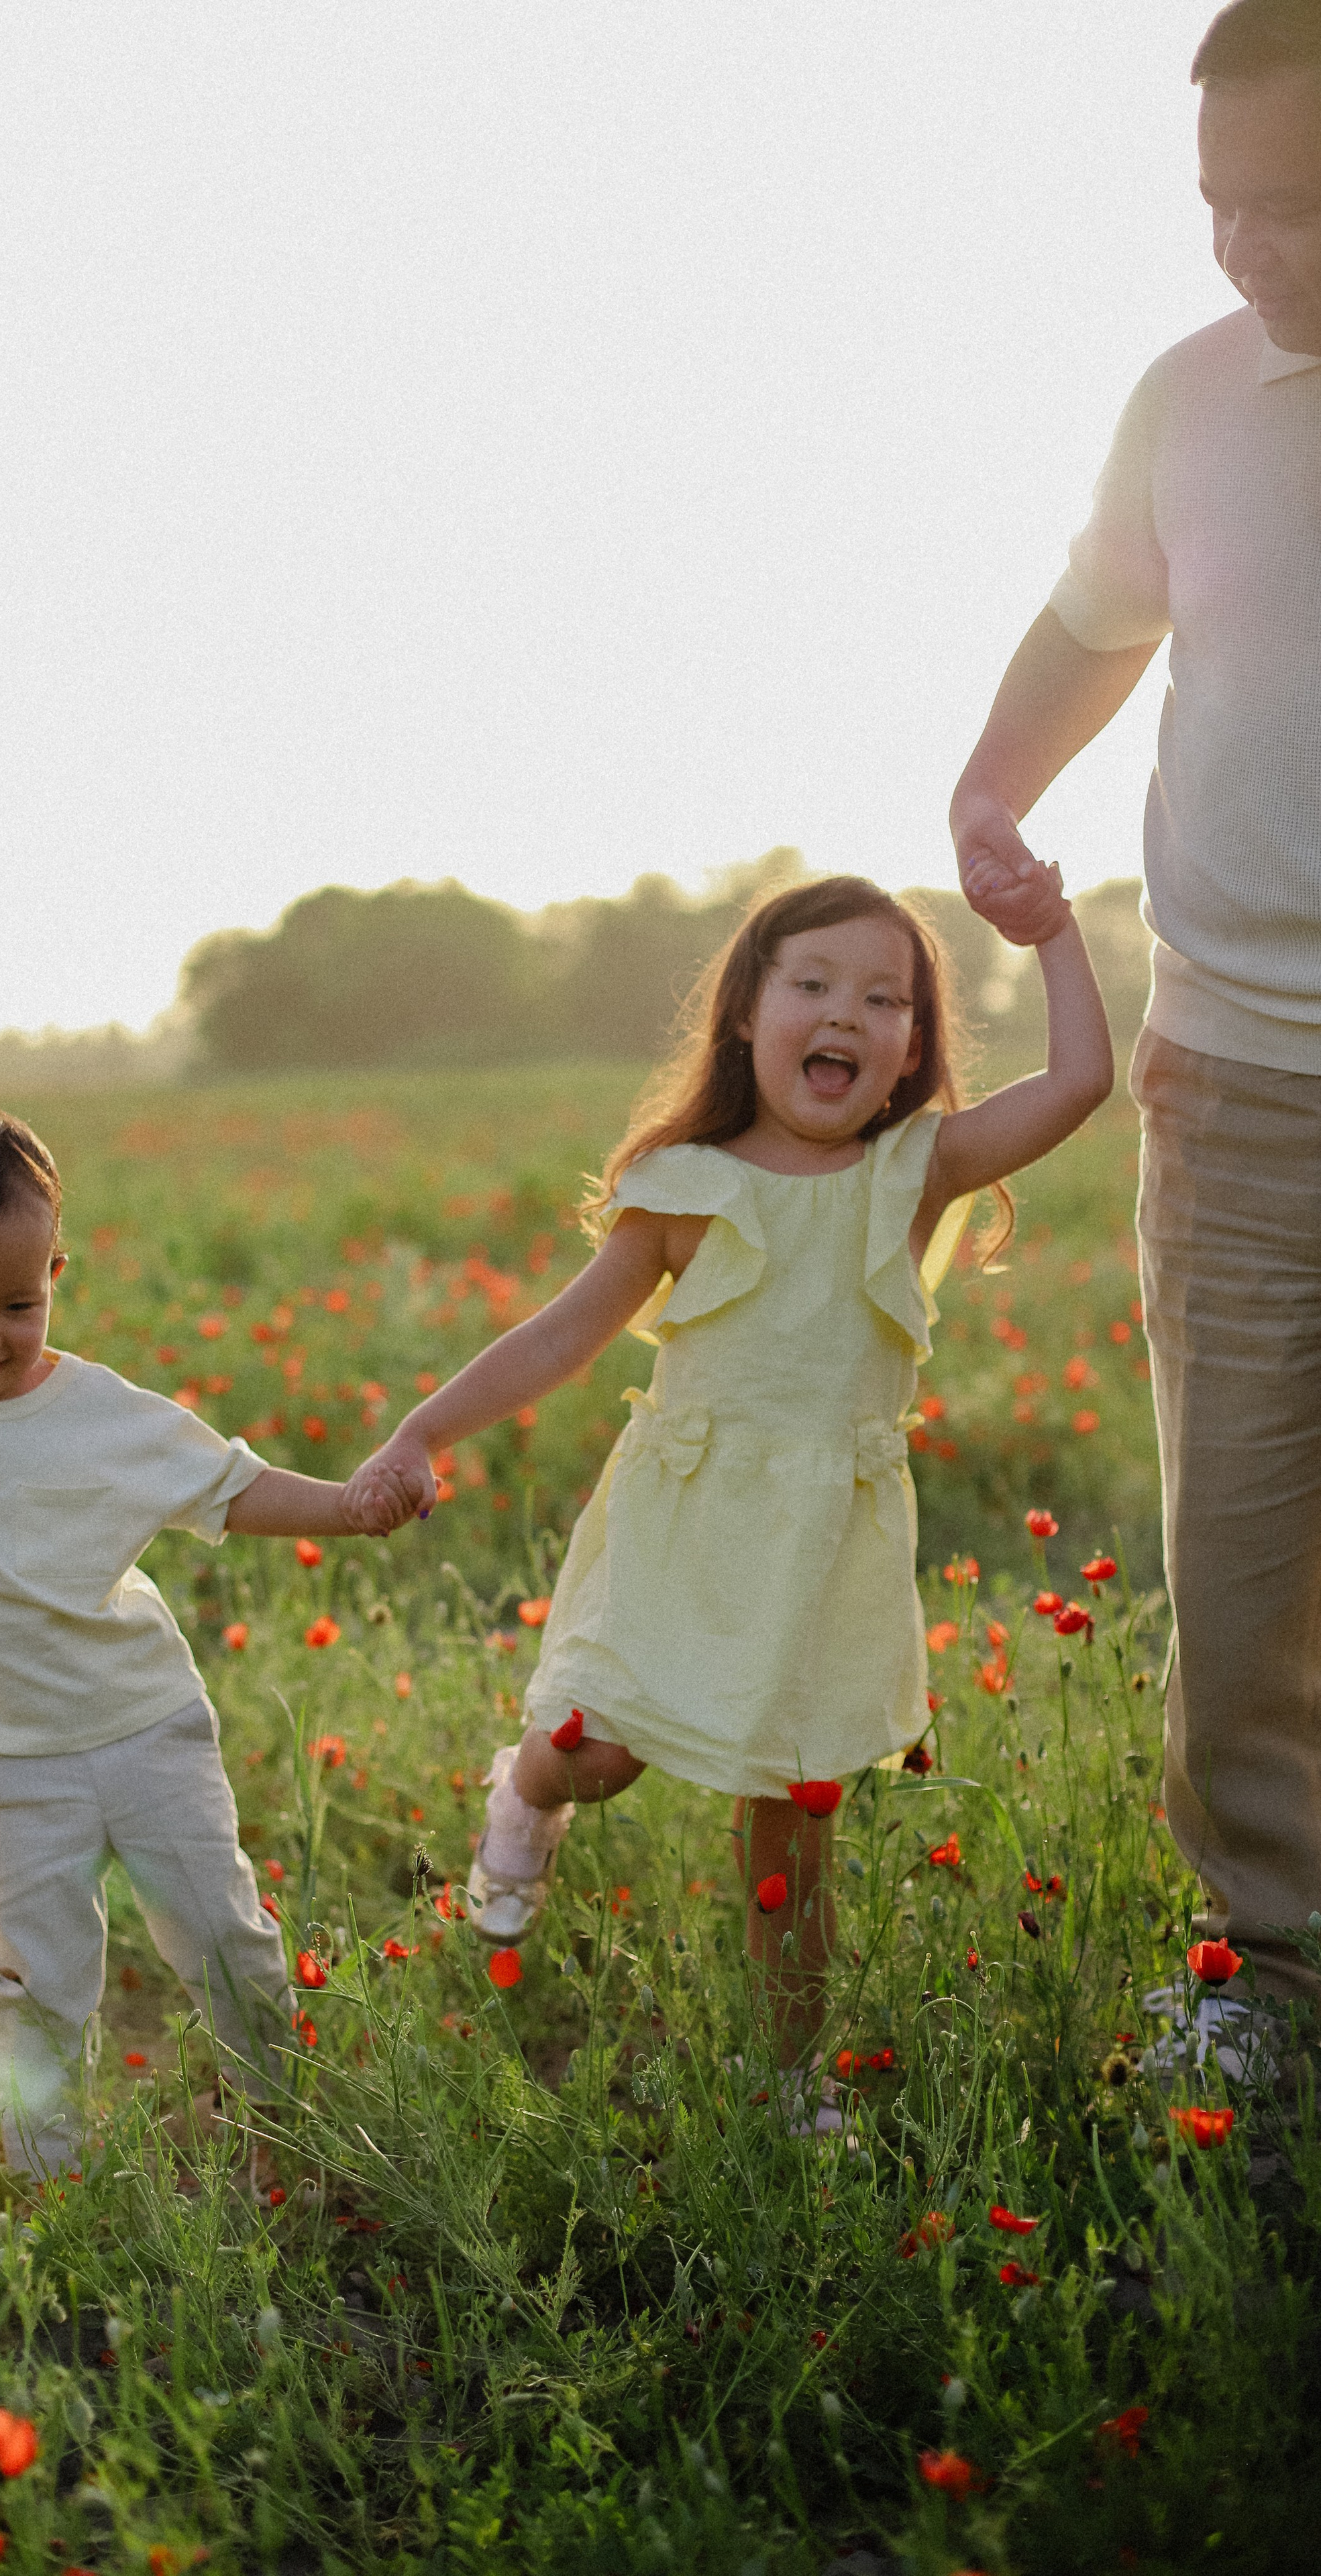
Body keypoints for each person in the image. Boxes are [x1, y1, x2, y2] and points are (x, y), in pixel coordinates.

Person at [345, 875, 1111, 2099]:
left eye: (884, 998)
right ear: (748, 1012)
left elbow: (1078, 1084)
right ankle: (526, 1786)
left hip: (823, 1547)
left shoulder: (913, 1174)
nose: (847, 1016)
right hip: (687, 1522)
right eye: (812, 985)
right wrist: (421, 1432)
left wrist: (1052, 927)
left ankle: (790, 2085)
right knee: (598, 1756)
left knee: (793, 1832)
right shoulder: (686, 1189)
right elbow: (559, 1339)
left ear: (913, 1046)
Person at [950, 0, 1321, 2065]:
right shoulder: (1189, 398)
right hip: (1243, 1076)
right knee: (1246, 1566)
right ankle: (1270, 1988)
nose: (1249, 249)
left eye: (1297, 204)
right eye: (1221, 205)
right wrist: (995, 784)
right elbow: (1103, 616)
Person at [0, 1104, 401, 2178]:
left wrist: (351, 1504)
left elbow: (233, 1487)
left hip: (146, 1730)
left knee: (223, 1934)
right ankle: (52, 2176)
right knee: (41, 1977)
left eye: (19, 1302)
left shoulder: (105, 1413)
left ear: (57, 1274)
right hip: (6, 1761)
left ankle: (285, 2127)